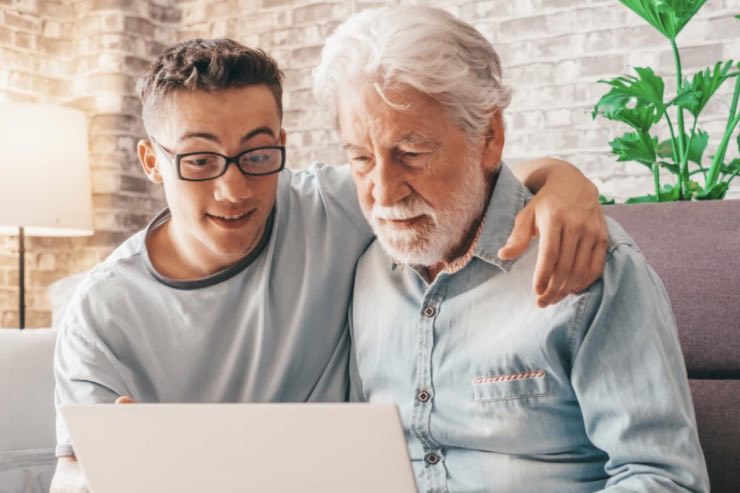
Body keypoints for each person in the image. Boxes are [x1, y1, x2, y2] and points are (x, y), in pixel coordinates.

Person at [50, 38, 607, 491]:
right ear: (152, 161)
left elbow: (462, 176)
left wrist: (563, 181)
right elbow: (72, 475)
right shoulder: (101, 314)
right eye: (199, 160)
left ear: (281, 145)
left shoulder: (330, 206)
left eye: (258, 155)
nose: (233, 187)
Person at [317, 6, 710, 492]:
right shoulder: (365, 268)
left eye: (412, 154)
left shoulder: (590, 267)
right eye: (359, 158)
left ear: (490, 136)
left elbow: (663, 479)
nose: (383, 192)